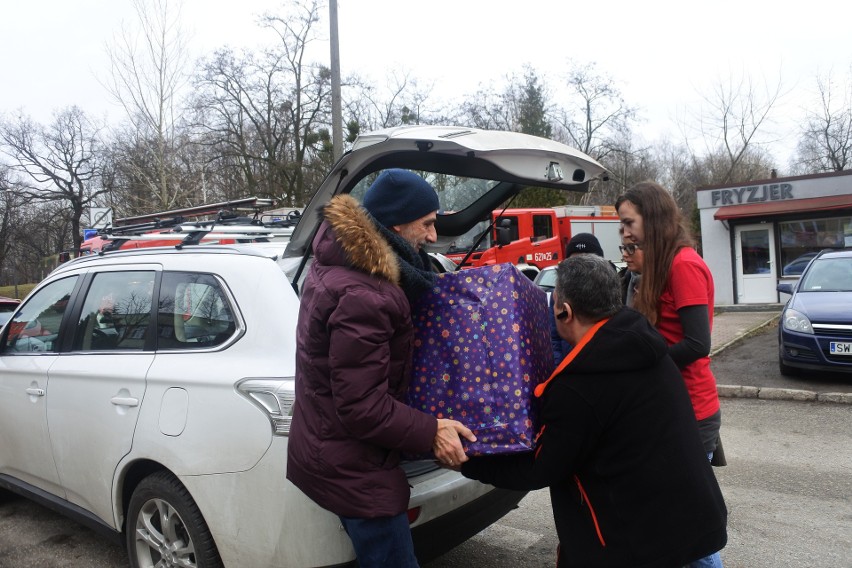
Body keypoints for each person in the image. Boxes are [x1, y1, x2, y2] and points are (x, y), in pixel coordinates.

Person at [458, 254, 728, 568]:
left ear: (564, 310)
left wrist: (465, 460)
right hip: (688, 521)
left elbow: (538, 469)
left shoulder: (579, 385)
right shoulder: (644, 344)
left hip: (636, 545)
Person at [287, 169, 476, 567]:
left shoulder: (340, 265)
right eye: (426, 224)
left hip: (336, 450)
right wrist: (432, 429)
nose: (431, 236)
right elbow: (362, 406)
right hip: (356, 468)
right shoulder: (365, 294)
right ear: (395, 224)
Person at [616, 180, 725, 568]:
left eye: (629, 222)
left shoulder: (683, 265)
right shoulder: (659, 264)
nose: (625, 232)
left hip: (692, 413)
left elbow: (698, 343)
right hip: (669, 409)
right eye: (621, 226)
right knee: (670, 523)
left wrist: (641, 364)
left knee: (689, 529)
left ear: (654, 217)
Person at [549, 233, 606, 364]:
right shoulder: (558, 294)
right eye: (575, 261)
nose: (581, 268)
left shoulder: (611, 289)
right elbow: (554, 337)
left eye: (587, 260)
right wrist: (560, 366)